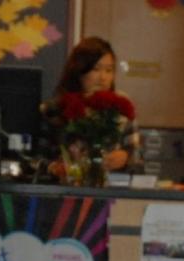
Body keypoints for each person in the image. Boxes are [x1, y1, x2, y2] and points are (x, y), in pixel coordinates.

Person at [40, 36, 138, 180]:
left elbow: (138, 162)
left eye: (109, 70)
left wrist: (125, 158)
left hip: (111, 192)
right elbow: (36, 159)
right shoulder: (55, 108)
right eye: (96, 69)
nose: (103, 77)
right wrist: (54, 167)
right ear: (79, 71)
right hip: (64, 191)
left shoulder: (121, 107)